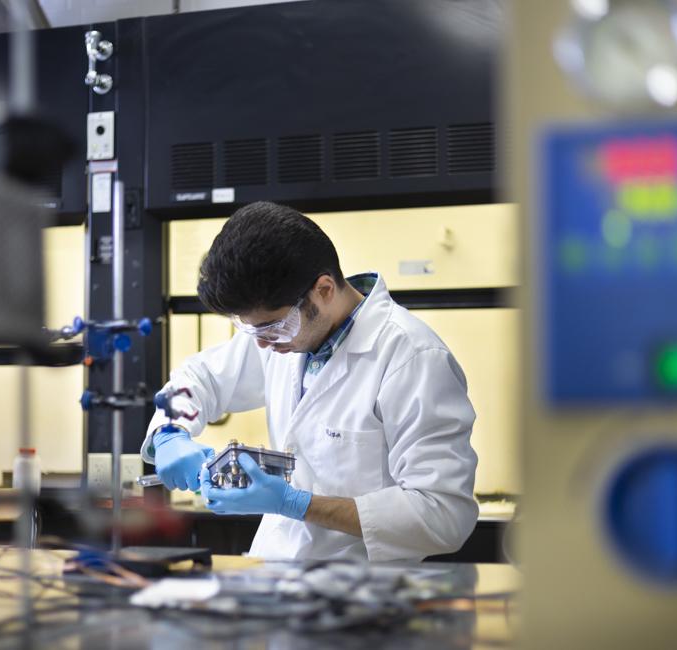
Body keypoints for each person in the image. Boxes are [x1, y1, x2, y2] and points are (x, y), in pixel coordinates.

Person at [140, 201, 478, 562]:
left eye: (274, 326)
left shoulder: (411, 357)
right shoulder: (283, 336)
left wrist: (295, 504)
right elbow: (200, 378)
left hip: (366, 592)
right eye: (249, 328)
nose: (263, 342)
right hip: (272, 576)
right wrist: (169, 435)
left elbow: (443, 515)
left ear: (325, 289)